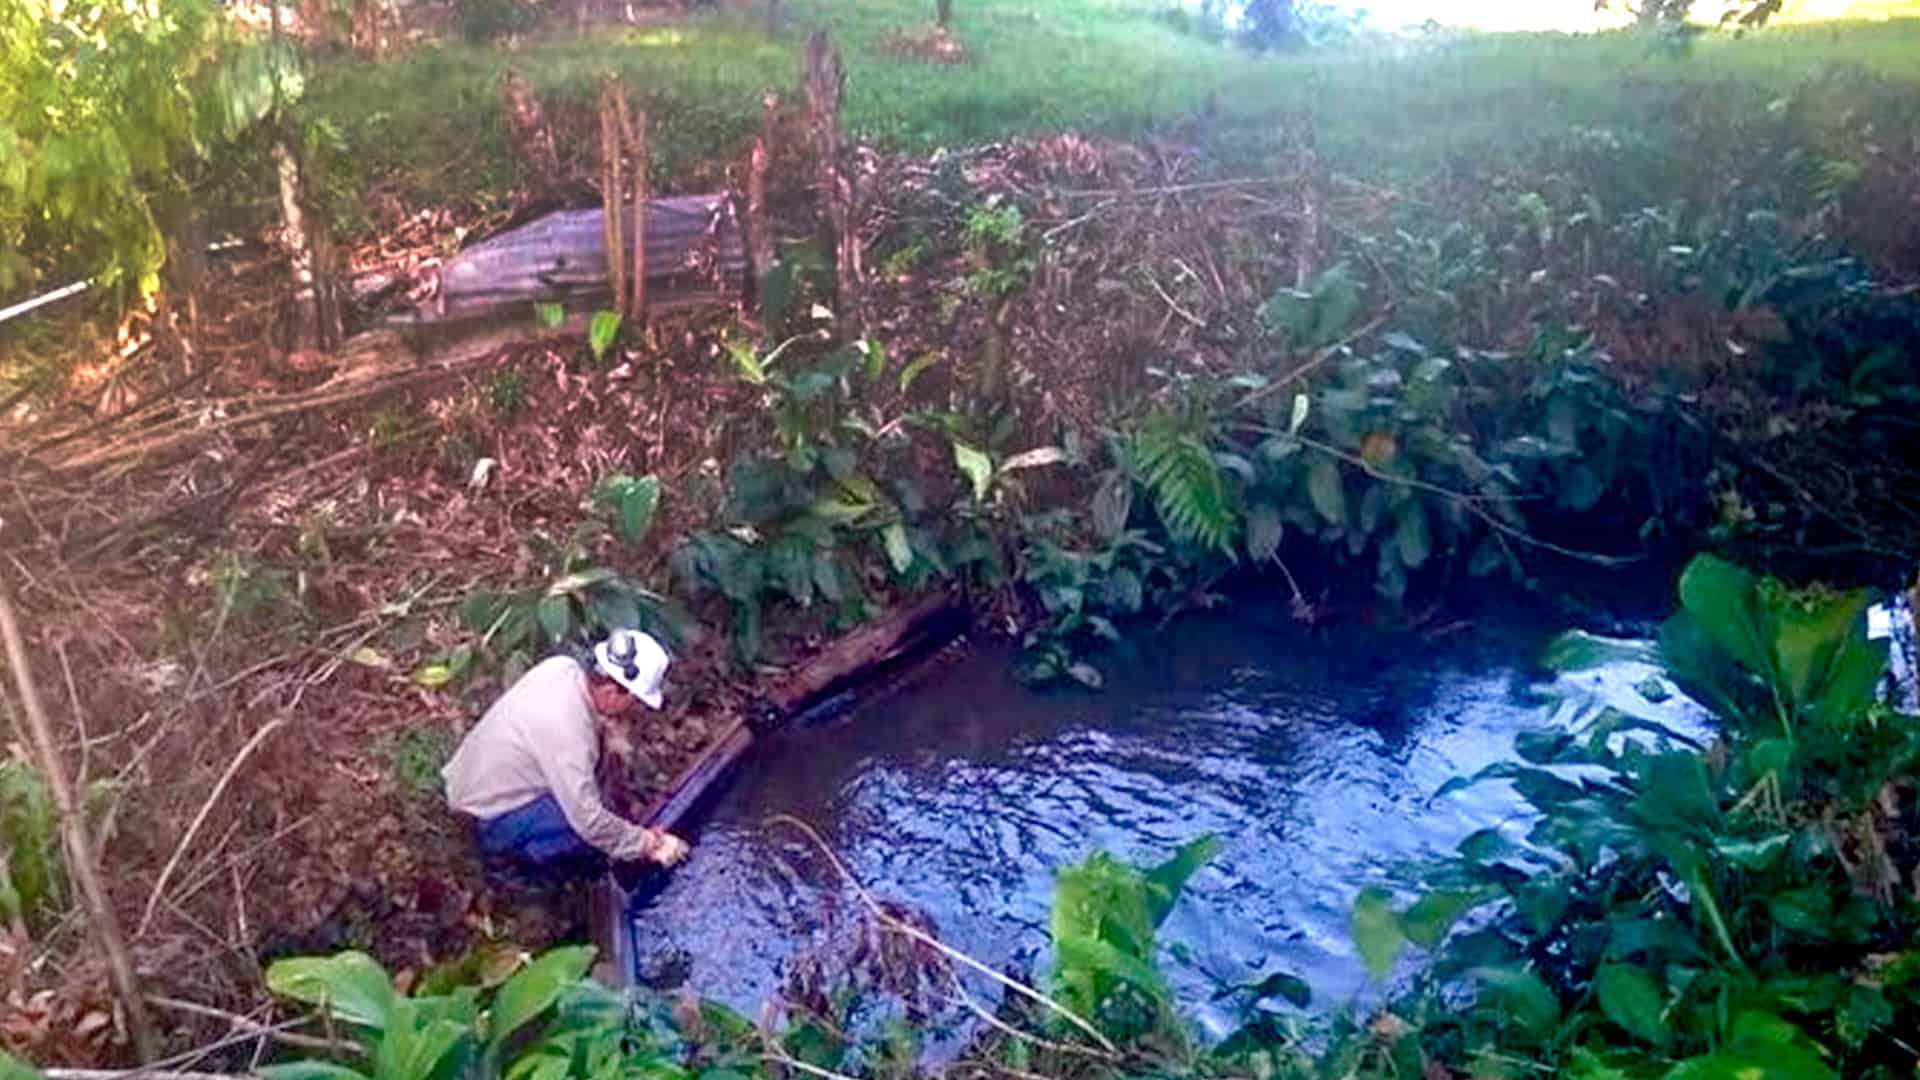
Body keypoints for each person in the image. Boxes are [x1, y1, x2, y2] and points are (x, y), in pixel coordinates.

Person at [443, 628, 691, 877]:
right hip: (486, 816)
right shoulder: (569, 731)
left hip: (468, 783)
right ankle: (514, 870)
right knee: (584, 839)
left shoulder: (562, 668)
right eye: (634, 701)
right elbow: (588, 822)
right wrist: (648, 845)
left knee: (597, 804)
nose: (635, 710)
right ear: (610, 693)